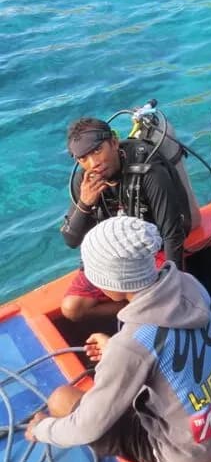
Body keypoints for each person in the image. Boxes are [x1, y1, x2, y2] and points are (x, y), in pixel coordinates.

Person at [26, 216, 211, 462]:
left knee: (62, 400)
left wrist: (41, 429)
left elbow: (87, 427)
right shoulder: (188, 284)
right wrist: (117, 350)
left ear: (111, 282)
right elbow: (169, 349)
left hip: (185, 455)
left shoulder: (130, 347)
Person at [61, 118, 192, 321]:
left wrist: (175, 286)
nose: (93, 163)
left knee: (159, 302)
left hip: (150, 250)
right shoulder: (85, 181)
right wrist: (85, 204)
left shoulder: (149, 171)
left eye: (97, 150)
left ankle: (139, 305)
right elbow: (71, 240)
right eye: (83, 158)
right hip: (114, 254)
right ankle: (134, 307)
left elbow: (172, 233)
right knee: (71, 308)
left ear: (114, 142)